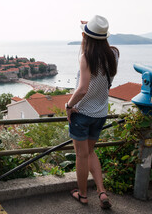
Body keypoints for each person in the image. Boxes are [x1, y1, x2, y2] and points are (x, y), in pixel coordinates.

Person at [66, 15, 119, 209]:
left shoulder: (86, 57)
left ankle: (83, 195)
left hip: (82, 113)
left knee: (81, 155)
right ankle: (101, 191)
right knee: (90, 151)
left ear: (84, 36)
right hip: (100, 114)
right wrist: (92, 26)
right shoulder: (113, 54)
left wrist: (69, 106)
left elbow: (82, 89)